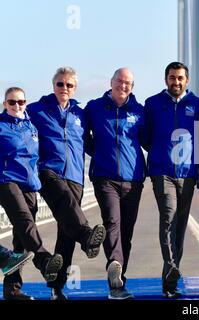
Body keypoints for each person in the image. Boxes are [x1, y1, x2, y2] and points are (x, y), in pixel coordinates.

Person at [27, 66, 106, 300]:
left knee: (66, 233)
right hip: (48, 172)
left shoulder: (80, 114)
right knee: (66, 205)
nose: (64, 88)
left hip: (75, 176)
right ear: (53, 86)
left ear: (74, 88)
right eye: (60, 84)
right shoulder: (37, 110)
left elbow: (91, 144)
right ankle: (87, 236)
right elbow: (16, 123)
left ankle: (57, 286)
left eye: (69, 85)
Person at [144, 62, 199, 298]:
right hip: (162, 170)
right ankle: (171, 267)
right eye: (172, 77)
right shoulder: (152, 104)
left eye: (180, 78)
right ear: (166, 79)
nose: (176, 82)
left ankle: (170, 281)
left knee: (180, 224)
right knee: (168, 217)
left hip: (189, 172)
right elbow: (145, 137)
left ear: (187, 80)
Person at [84, 68, 146, 300]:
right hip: (104, 177)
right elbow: (83, 136)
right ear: (111, 82)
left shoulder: (139, 112)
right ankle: (115, 265)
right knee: (112, 222)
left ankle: (118, 280)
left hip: (134, 179)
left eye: (128, 82)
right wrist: (99, 152)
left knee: (126, 232)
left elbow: (148, 139)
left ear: (132, 86)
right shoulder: (95, 107)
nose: (123, 85)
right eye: (119, 81)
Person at [0, 87, 63, 300]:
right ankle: (44, 260)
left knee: (21, 238)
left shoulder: (31, 126)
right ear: (4, 104)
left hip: (29, 184)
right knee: (25, 222)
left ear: (25, 103)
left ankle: (12, 289)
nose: (16, 106)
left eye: (20, 102)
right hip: (7, 180)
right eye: (12, 102)